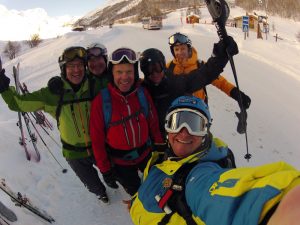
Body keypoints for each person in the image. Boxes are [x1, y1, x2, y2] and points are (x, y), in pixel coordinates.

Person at [130, 95, 300, 225]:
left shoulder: (198, 176)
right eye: (177, 122)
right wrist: (135, 200)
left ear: (205, 133)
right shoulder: (161, 157)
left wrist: (279, 205)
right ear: (167, 127)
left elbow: (225, 195)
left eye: (195, 125)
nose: (184, 132)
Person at [0, 46, 109, 204]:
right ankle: (101, 193)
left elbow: (118, 83)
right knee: (93, 185)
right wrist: (2, 82)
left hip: (100, 148)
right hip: (74, 155)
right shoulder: (52, 94)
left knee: (114, 174)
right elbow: (18, 104)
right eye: (71, 66)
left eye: (80, 65)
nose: (76, 70)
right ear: (63, 69)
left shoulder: (96, 86)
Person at [90, 47, 164, 196]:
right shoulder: (102, 101)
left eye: (129, 72)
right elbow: (97, 139)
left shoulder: (142, 93)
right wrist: (105, 170)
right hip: (121, 163)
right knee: (136, 194)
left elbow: (153, 122)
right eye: (119, 72)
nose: (125, 77)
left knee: (157, 187)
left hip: (146, 155)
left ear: (135, 73)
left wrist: (160, 146)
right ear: (112, 73)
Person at [140, 36, 238, 137]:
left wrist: (220, 57)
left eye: (158, 68)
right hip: (163, 132)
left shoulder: (180, 78)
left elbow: (206, 75)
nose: (154, 73)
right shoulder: (143, 89)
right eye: (149, 70)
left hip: (192, 118)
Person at [166, 32, 251, 110]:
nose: (180, 52)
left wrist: (236, 93)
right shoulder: (169, 67)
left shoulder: (200, 65)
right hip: (176, 112)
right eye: (176, 49)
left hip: (198, 112)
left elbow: (220, 82)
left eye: (183, 48)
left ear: (188, 49)